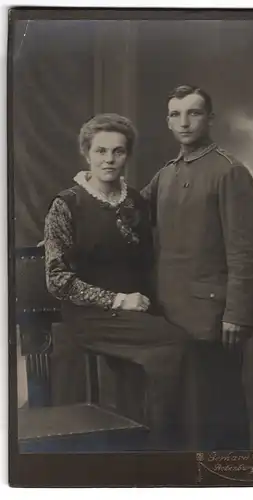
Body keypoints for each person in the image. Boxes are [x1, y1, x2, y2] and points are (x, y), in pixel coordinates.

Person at [44, 113, 189, 450]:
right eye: (100, 151)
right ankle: (162, 447)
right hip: (90, 315)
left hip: (136, 311)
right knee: (173, 344)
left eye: (118, 152)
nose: (109, 160)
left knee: (176, 348)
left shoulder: (136, 201)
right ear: (86, 153)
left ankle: (148, 447)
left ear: (128, 155)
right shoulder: (66, 205)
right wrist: (119, 300)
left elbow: (148, 261)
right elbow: (57, 280)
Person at [141, 85, 253, 450]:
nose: (184, 122)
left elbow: (250, 251)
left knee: (216, 415)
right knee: (179, 418)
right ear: (167, 121)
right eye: (175, 114)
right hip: (169, 315)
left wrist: (237, 314)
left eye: (193, 113)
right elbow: (130, 211)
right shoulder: (166, 174)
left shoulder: (229, 172)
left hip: (213, 318)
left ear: (209, 119)